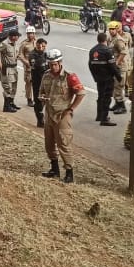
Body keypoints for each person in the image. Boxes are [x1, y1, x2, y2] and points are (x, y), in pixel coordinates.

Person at [39, 49, 86, 183]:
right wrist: (42, 97)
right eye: (50, 64)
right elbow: (41, 91)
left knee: (63, 144)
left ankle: (69, 173)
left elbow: (81, 93)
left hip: (62, 115)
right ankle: (54, 169)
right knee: (49, 144)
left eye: (55, 64)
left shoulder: (69, 76)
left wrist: (71, 108)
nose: (52, 67)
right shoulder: (46, 76)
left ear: (60, 63)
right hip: (49, 114)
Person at [88, 32, 122, 126]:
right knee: (107, 98)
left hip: (99, 78)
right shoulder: (107, 50)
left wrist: (95, 77)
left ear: (98, 40)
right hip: (107, 78)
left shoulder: (92, 51)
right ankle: (104, 119)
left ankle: (99, 116)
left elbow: (90, 65)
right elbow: (112, 66)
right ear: (105, 40)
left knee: (100, 96)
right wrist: (119, 77)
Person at [0, 31, 23, 113]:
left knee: (14, 87)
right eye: (17, 36)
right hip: (7, 69)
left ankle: (11, 103)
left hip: (14, 68)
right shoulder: (5, 44)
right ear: (12, 36)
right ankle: (6, 106)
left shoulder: (14, 43)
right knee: (7, 88)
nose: (18, 38)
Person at [107, 21, 129, 114]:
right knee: (114, 86)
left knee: (119, 86)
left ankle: (122, 106)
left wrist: (116, 63)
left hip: (120, 67)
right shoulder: (111, 38)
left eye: (113, 29)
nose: (112, 31)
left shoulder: (118, 40)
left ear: (116, 29)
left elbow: (123, 52)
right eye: (110, 29)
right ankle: (117, 103)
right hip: (114, 67)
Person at [29, 38, 49, 128]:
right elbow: (37, 66)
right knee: (38, 102)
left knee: (47, 100)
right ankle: (40, 120)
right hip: (37, 82)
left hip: (46, 82)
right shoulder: (33, 55)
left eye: (44, 46)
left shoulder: (45, 54)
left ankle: (47, 119)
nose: (42, 48)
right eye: (40, 45)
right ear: (37, 45)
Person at [18, 25, 39, 107]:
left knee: (37, 83)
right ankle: (29, 99)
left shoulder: (37, 42)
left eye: (32, 33)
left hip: (37, 67)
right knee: (29, 83)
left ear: (34, 34)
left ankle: (37, 98)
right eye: (29, 33)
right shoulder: (24, 44)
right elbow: (20, 55)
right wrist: (26, 62)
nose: (30, 35)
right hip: (28, 68)